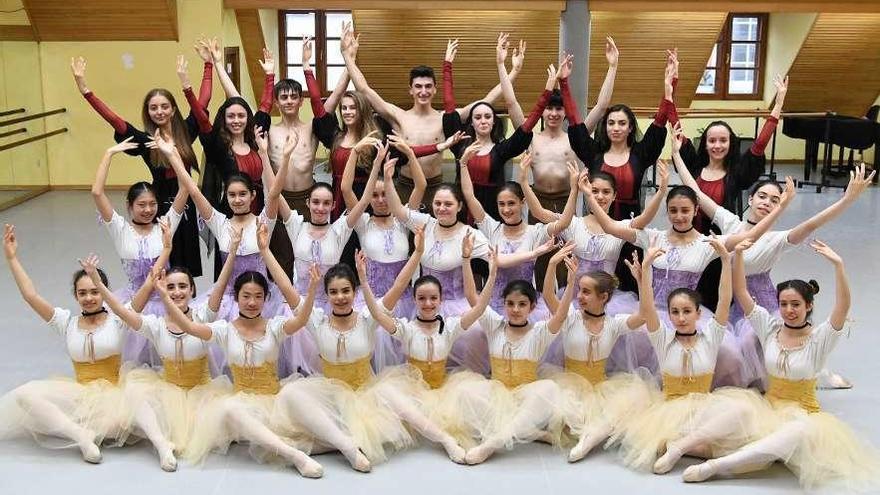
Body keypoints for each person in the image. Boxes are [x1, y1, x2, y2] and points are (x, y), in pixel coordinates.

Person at [673, 128, 875, 389]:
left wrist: (847, 199)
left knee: (756, 341)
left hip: (763, 305)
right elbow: (695, 191)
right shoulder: (730, 222)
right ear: (751, 198)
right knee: (725, 345)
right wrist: (676, 154)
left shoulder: (778, 239)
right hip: (735, 304)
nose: (767, 202)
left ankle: (809, 375)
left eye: (775, 200)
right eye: (762, 196)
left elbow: (812, 223)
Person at [682, 240, 880, 491]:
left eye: (796, 304)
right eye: (784, 304)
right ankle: (681, 447)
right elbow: (741, 292)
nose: (789, 310)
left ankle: (715, 467)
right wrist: (739, 255)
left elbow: (843, 306)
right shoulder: (770, 328)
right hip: (767, 409)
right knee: (735, 415)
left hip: (803, 415)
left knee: (796, 433)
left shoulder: (820, 338)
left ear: (808, 306)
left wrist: (838, 265)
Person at [0, 225, 173, 469]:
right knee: (25, 394)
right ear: (75, 296)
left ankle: (163, 446)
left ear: (103, 293)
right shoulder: (66, 323)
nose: (89, 297)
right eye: (83, 293)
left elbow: (148, 283)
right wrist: (12, 258)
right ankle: (82, 436)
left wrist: (166, 249)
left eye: (94, 291)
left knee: (138, 395)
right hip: (81, 396)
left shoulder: (119, 319)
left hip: (116, 396)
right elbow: (31, 296)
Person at [614, 239, 770, 475]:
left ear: (698, 314)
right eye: (675, 312)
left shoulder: (711, 337)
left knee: (744, 412)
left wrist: (726, 262)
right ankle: (689, 446)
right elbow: (647, 310)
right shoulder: (663, 338)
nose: (681, 317)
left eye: (687, 311)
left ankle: (680, 447)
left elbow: (724, 301)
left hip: (704, 410)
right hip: (670, 413)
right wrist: (646, 270)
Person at [71, 43, 212, 278]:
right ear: (148, 112)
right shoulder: (146, 140)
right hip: (160, 210)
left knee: (185, 268)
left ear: (173, 110)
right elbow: (115, 121)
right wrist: (86, 90)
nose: (160, 112)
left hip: (185, 205)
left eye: (165, 106)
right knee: (164, 265)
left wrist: (208, 65)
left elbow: (203, 101)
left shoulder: (186, 131)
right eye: (153, 108)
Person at [342, 29, 520, 205]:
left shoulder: (445, 118)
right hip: (405, 185)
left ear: (435, 89)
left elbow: (487, 100)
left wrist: (513, 72)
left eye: (428, 86)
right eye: (418, 86)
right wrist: (347, 56)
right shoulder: (397, 116)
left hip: (435, 186)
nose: (423, 91)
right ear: (410, 90)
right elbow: (364, 89)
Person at [436, 259, 575, 465]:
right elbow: (472, 297)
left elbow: (562, 314)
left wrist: (571, 281)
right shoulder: (495, 325)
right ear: (504, 305)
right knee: (463, 390)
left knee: (550, 389)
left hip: (527, 398)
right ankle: (528, 432)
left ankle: (491, 445)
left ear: (532, 306)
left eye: (522, 304)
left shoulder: (540, 332)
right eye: (510, 303)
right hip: (496, 396)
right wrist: (468, 262)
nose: (515, 309)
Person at [541, 248, 659, 462]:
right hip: (569, 388)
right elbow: (548, 296)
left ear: (603, 297)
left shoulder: (613, 325)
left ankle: (589, 440)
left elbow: (644, 314)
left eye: (586, 292)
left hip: (600, 389)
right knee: (566, 411)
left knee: (634, 397)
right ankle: (589, 433)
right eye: (579, 289)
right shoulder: (569, 318)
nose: (579, 296)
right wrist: (551, 265)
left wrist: (642, 281)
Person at [91, 139, 188, 366]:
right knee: (136, 365)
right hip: (134, 303)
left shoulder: (165, 225)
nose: (147, 210)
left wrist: (172, 153)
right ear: (129, 205)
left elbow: (186, 186)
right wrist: (109, 152)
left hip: (166, 301)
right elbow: (97, 193)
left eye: (152, 204)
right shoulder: (119, 228)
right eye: (141, 205)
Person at [447, 33, 558, 220]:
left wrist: (547, 91)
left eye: (487, 116)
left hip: (494, 215)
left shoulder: (501, 150)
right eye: (478, 117)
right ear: (471, 123)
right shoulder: (459, 144)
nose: (483, 120)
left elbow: (527, 127)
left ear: (493, 122)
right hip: (461, 212)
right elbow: (450, 110)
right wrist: (447, 67)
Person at [461, 152, 578, 317]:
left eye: (511, 203)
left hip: (525, 307)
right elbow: (469, 196)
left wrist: (574, 189)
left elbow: (563, 223)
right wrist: (463, 164)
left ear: (522, 203)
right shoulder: (491, 228)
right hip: (495, 306)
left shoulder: (535, 232)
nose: (506, 209)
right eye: (501, 204)